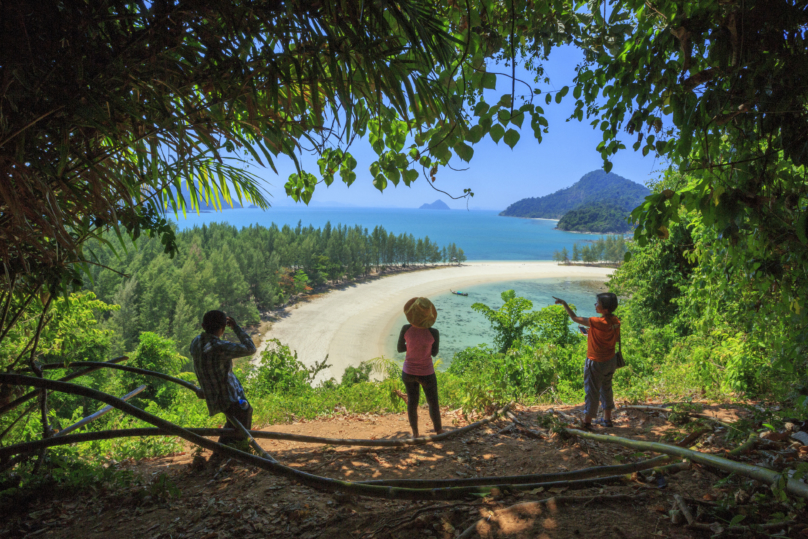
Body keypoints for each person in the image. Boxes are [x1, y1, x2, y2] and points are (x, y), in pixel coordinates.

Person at [553, 293, 620, 430]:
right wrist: (593, 335)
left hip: (596, 361)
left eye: (598, 303)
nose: (595, 305)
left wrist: (565, 304)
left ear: (605, 308)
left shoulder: (597, 321)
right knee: (606, 388)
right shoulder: (615, 321)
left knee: (592, 391)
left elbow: (574, 318)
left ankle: (587, 422)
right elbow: (615, 339)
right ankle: (607, 419)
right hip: (610, 360)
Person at [190, 310, 257, 449]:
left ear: (203, 326)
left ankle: (224, 451)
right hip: (226, 395)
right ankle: (239, 450)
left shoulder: (196, 342)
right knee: (244, 412)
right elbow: (251, 348)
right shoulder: (220, 347)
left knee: (233, 421)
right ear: (223, 327)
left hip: (211, 393)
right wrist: (236, 328)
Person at [397, 297, 443, 437]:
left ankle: (415, 433)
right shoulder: (434, 332)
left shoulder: (406, 328)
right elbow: (434, 353)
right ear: (428, 316)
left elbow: (400, 348)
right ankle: (439, 431)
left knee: (412, 402)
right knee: (433, 402)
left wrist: (412, 345)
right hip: (427, 372)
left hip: (409, 371)